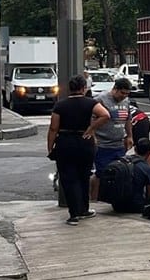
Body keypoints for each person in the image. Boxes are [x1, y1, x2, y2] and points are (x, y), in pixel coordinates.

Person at [47, 74, 110, 226]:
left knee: (69, 179)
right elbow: (105, 115)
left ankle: (73, 214)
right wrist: (91, 128)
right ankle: (84, 209)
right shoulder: (90, 103)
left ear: (70, 88)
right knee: (84, 176)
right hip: (85, 142)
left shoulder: (60, 105)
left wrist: (50, 148)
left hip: (65, 142)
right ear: (83, 88)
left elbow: (53, 128)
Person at [89, 77, 134, 201]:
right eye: (122, 93)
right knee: (100, 173)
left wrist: (129, 136)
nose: (124, 96)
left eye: (127, 94)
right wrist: (93, 136)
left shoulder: (126, 102)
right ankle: (94, 199)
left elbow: (128, 119)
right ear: (115, 89)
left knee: (119, 172)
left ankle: (113, 197)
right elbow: (91, 120)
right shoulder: (100, 100)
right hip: (103, 144)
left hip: (119, 144)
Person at [112, 137, 150, 213]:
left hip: (117, 206)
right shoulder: (147, 169)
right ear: (149, 153)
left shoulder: (121, 161)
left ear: (135, 149)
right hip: (136, 207)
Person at [129, 102, 150, 186]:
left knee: (141, 150)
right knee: (144, 149)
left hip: (137, 121)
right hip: (142, 118)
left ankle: (144, 175)